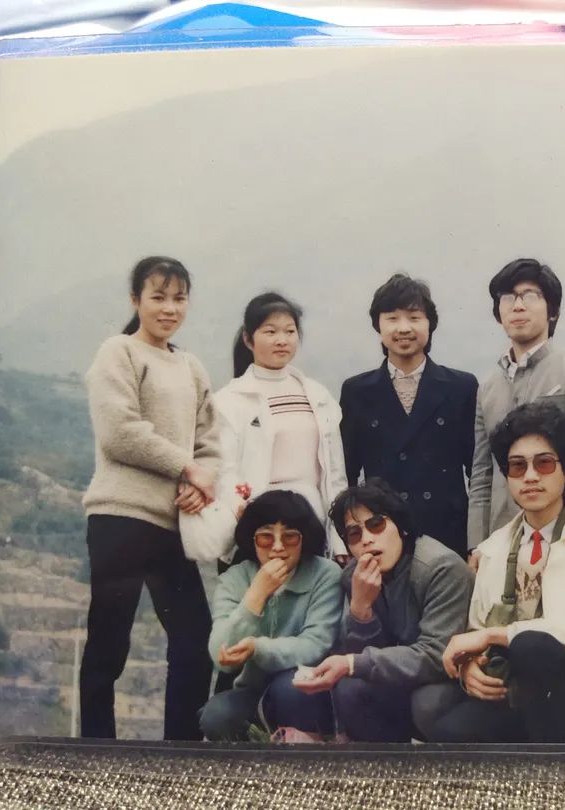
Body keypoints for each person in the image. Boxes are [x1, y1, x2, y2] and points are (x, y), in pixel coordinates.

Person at [422, 402, 565, 744]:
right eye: (517, 466)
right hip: (519, 694)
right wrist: (470, 668)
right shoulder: (493, 548)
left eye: (544, 463)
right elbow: (477, 630)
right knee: (445, 731)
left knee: (532, 646)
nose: (530, 476)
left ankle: (557, 772)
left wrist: (495, 636)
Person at [79, 256, 218, 740]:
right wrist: (186, 467)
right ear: (135, 300)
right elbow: (119, 432)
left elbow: (209, 442)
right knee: (109, 642)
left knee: (195, 641)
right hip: (120, 517)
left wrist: (200, 481)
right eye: (158, 297)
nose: (169, 308)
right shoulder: (118, 351)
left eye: (179, 298)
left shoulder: (191, 366)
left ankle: (181, 749)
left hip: (173, 525)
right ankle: (96, 749)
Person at [294, 479, 474, 742]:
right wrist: (361, 609)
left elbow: (436, 655)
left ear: (400, 527)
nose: (367, 540)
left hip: (451, 678)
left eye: (376, 524)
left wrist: (352, 663)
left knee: (427, 702)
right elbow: (367, 656)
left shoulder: (441, 568)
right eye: (354, 534)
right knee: (349, 688)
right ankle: (385, 764)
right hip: (400, 674)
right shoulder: (355, 577)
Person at [467, 259, 565, 569]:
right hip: (502, 541)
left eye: (530, 295)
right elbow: (482, 474)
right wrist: (478, 544)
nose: (518, 306)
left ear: (552, 310)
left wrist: (558, 529)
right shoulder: (488, 386)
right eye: (508, 297)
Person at [339, 274, 478, 559]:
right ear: (378, 325)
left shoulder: (461, 387)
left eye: (414, 318)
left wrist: (477, 541)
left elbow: (477, 472)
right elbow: (347, 473)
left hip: (448, 532)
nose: (404, 328)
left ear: (430, 324)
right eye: (392, 318)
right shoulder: (356, 391)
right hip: (382, 534)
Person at [213, 292, 348, 562]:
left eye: (289, 331)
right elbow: (224, 470)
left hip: (310, 524)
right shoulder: (228, 400)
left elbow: (335, 475)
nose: (282, 340)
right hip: (258, 527)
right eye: (270, 331)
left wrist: (339, 540)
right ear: (248, 339)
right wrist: (244, 512)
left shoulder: (318, 396)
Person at [199, 490, 342, 741]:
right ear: (252, 540)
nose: (277, 547)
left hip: (307, 686)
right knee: (216, 717)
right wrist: (256, 595)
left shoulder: (326, 574)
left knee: (289, 690)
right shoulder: (234, 578)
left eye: (290, 537)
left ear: (304, 539)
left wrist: (258, 648)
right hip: (253, 690)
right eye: (266, 537)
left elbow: (316, 644)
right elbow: (221, 655)